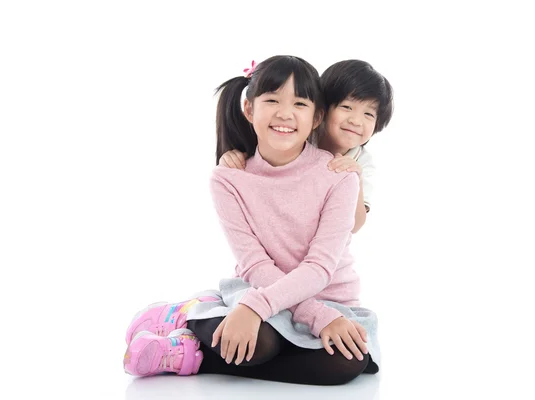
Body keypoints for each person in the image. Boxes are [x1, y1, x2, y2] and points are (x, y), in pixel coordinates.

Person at [122, 55, 380, 386]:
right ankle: (187, 324)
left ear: (316, 117)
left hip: (326, 298)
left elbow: (319, 268)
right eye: (272, 100)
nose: (285, 113)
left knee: (348, 363)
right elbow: (254, 263)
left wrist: (303, 313)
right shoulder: (228, 178)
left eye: (299, 103)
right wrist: (255, 306)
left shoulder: (340, 176)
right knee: (258, 344)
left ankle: (196, 343)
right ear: (249, 110)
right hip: (259, 285)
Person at [219, 59, 393, 233]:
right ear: (321, 109)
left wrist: (356, 179)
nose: (356, 120)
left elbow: (354, 226)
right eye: (346, 107)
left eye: (369, 114)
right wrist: (235, 155)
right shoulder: (299, 135)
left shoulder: (362, 162)